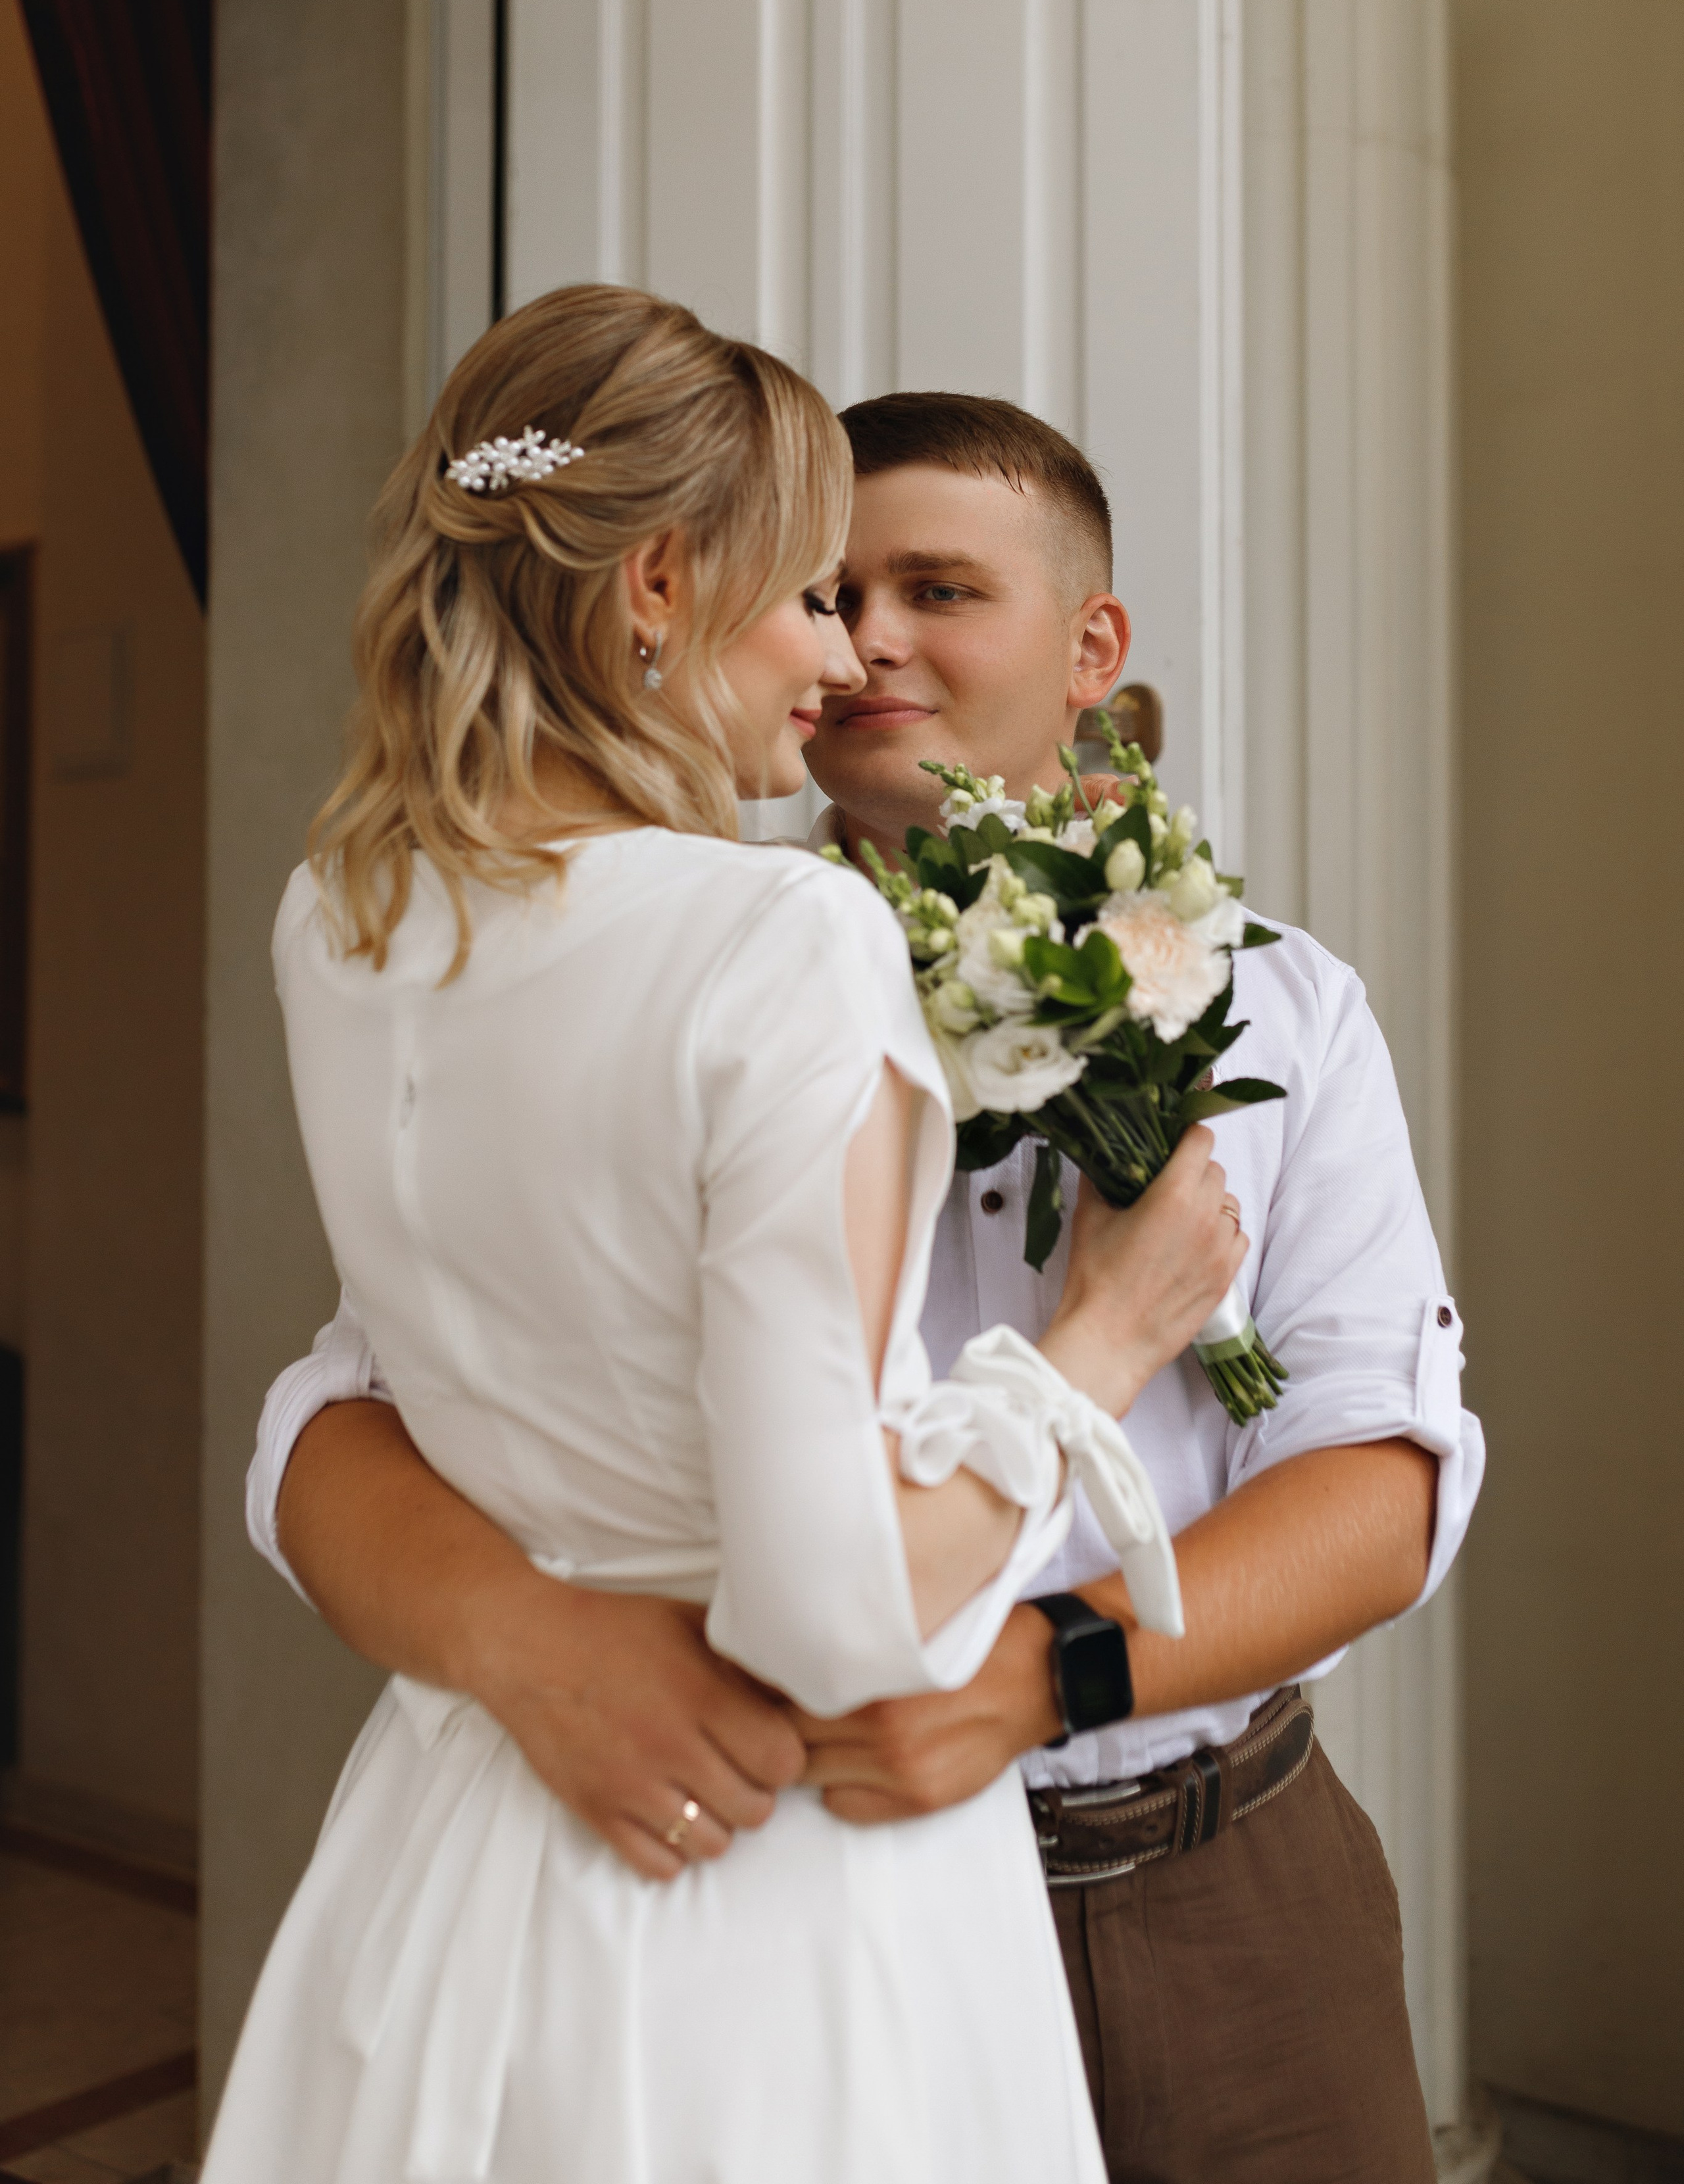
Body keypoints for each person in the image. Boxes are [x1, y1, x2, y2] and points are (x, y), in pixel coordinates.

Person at [248, 389, 1486, 2183]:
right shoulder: (664, 957)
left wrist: (1038, 1678)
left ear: (1092, 649)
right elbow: (356, 1406)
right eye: (829, 589)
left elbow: (1381, 1486)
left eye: (938, 590)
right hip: (780, 1888)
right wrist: (532, 1644)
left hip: (1212, 1891)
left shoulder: (1278, 1008)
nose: (867, 640)